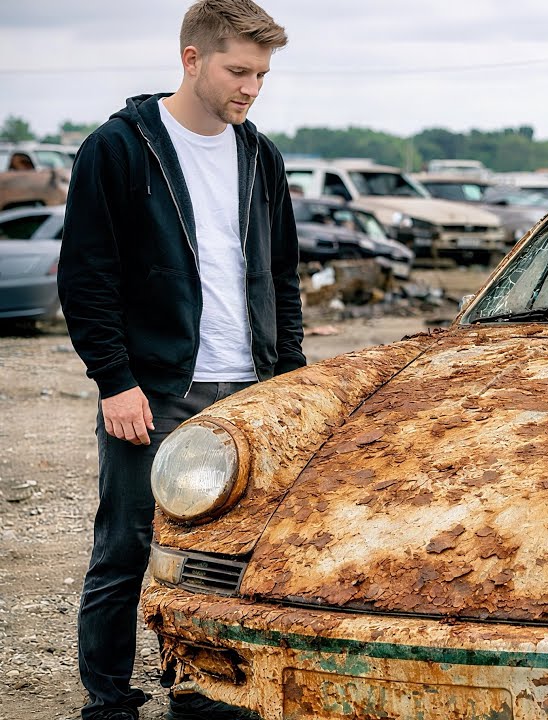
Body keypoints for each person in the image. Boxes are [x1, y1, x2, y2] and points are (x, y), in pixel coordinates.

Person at [57, 2, 304, 719]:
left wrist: (290, 382)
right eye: (238, 70)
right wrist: (116, 381)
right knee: (127, 547)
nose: (251, 87)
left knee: (230, 555)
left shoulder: (260, 154)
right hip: (156, 389)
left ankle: (200, 688)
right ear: (192, 60)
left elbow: (281, 275)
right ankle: (107, 698)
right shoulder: (120, 147)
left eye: (261, 74)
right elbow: (88, 276)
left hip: (248, 392)